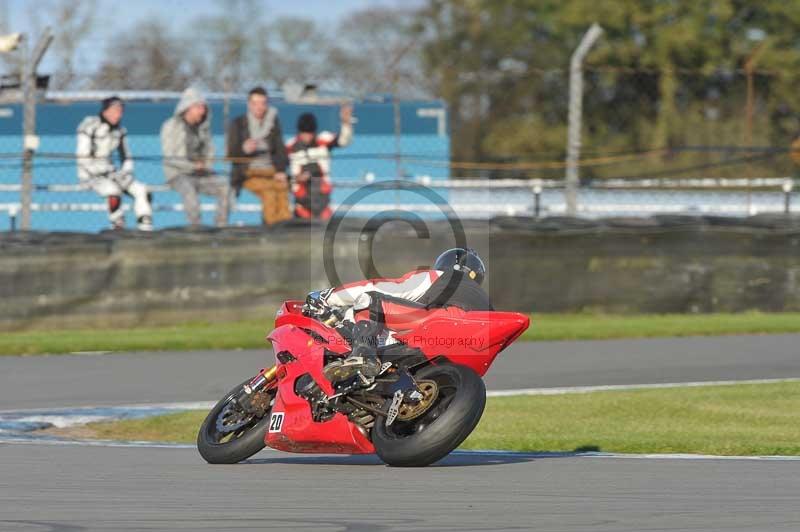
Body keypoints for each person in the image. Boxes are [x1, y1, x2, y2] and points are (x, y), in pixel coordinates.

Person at [307, 248, 490, 383]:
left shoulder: (440, 276)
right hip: (472, 348)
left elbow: (384, 287)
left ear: (446, 265)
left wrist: (328, 297)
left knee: (369, 300)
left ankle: (363, 353)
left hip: (439, 322)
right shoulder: (486, 302)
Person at [76, 96, 153, 231]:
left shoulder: (120, 131)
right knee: (113, 191)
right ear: (105, 111)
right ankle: (117, 224)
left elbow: (126, 156)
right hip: (91, 175)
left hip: (112, 173)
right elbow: (82, 156)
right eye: (115, 110)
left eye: (121, 110)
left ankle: (145, 226)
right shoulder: (89, 126)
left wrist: (126, 172)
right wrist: (97, 170)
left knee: (141, 190)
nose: (118, 114)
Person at [161, 87, 230, 227]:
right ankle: (196, 228)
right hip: (178, 174)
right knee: (190, 191)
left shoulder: (203, 127)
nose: (202, 111)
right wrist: (192, 166)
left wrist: (206, 165)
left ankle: (221, 226)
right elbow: (170, 157)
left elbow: (210, 150)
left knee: (226, 187)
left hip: (201, 173)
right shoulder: (171, 126)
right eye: (199, 107)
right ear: (188, 107)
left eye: (203, 108)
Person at [226, 86, 291, 226]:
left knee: (282, 190)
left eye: (263, 103)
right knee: (269, 193)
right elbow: (231, 154)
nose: (259, 107)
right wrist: (244, 149)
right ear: (249, 105)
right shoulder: (238, 124)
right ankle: (272, 231)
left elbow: (280, 149)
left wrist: (281, 171)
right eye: (255, 103)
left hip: (271, 171)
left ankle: (286, 231)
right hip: (248, 172)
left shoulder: (273, 123)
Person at [286, 105, 353, 220]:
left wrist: (345, 123)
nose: (307, 136)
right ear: (299, 132)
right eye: (304, 133)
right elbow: (283, 172)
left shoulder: (324, 140)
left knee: (323, 228)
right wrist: (297, 178)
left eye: (310, 133)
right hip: (301, 198)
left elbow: (343, 141)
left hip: (322, 196)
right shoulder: (290, 146)